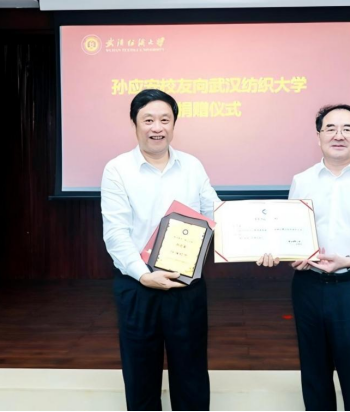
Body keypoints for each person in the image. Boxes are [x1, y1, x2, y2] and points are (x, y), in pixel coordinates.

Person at [258, 104, 350, 411]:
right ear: (318, 136)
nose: (339, 135)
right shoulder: (302, 180)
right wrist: (288, 254)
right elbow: (292, 234)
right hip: (308, 287)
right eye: (330, 128)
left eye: (347, 129)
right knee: (314, 377)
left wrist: (349, 260)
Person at [101, 89, 219, 411]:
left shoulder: (192, 166)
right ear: (135, 124)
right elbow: (116, 233)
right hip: (138, 286)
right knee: (141, 378)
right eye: (148, 120)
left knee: (192, 376)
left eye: (165, 120)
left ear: (174, 124)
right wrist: (144, 275)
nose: (157, 128)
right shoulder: (117, 169)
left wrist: (256, 240)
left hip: (185, 286)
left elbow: (215, 213)